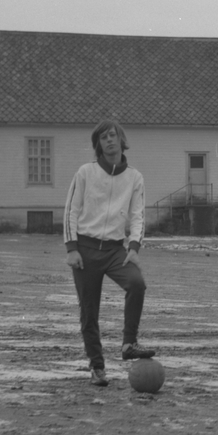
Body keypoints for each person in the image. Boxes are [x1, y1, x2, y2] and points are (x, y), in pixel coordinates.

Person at [63, 120, 155, 386]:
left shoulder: (134, 178)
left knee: (136, 284)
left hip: (116, 249)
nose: (109, 141)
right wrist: (72, 249)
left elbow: (138, 216)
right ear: (98, 145)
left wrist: (134, 247)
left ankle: (129, 344)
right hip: (86, 249)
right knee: (89, 311)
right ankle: (97, 367)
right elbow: (71, 210)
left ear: (121, 139)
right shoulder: (85, 173)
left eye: (112, 135)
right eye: (103, 138)